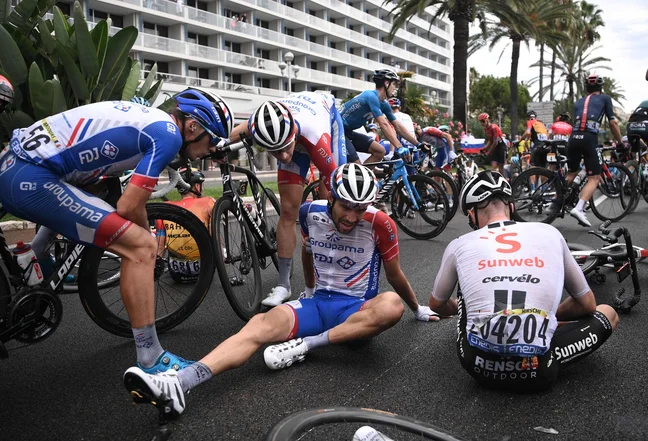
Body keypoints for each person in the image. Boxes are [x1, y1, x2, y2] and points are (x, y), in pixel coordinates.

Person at [123, 163, 440, 419]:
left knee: (391, 306)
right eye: (347, 207)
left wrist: (417, 309)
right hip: (318, 306)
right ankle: (181, 382)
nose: (353, 217)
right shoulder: (309, 213)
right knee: (260, 324)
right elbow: (307, 252)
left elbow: (395, 274)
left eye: (361, 208)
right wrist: (310, 290)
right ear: (331, 197)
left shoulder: (380, 223)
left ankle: (307, 345)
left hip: (356, 311)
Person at [0, 87, 233, 374]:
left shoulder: (148, 117)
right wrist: (151, 241)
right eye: (212, 140)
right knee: (140, 247)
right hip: (30, 176)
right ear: (192, 127)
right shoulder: (168, 135)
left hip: (11, 163)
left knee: (95, 190)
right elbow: (130, 206)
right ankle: (151, 358)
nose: (210, 150)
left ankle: (37, 257)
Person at [428, 170, 619, 392]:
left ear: (472, 213)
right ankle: (535, 330)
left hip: (477, 365)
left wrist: (467, 310)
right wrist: (543, 316)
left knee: (465, 280)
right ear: (511, 207)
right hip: (540, 369)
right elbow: (587, 304)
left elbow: (436, 305)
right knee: (608, 313)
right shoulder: (550, 232)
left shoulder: (459, 244)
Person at [228, 91, 348, 307]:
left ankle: (336, 271)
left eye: (284, 149)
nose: (283, 157)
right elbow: (227, 138)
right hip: (292, 129)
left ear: (292, 134)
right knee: (288, 211)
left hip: (324, 119)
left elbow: (336, 186)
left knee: (334, 198)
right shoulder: (259, 123)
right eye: (275, 152)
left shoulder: (314, 132)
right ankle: (284, 285)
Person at [567, 74, 624, 227]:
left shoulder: (579, 101)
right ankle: (579, 209)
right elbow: (612, 123)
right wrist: (620, 142)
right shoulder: (605, 98)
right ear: (601, 87)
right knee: (595, 178)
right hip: (589, 138)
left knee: (571, 174)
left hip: (573, 137)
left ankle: (555, 203)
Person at [340, 69, 420, 164]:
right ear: (386, 83)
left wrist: (418, 144)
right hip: (337, 131)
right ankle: (360, 177)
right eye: (393, 84)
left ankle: (365, 177)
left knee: (380, 151)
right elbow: (384, 124)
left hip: (348, 132)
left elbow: (397, 126)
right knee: (357, 167)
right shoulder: (371, 96)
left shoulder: (384, 104)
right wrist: (399, 147)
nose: (394, 88)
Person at [159, 168, 215, 284]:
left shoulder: (166, 207)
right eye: (201, 185)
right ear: (196, 187)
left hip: (176, 273)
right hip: (204, 272)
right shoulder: (208, 202)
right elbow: (214, 238)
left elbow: (159, 246)